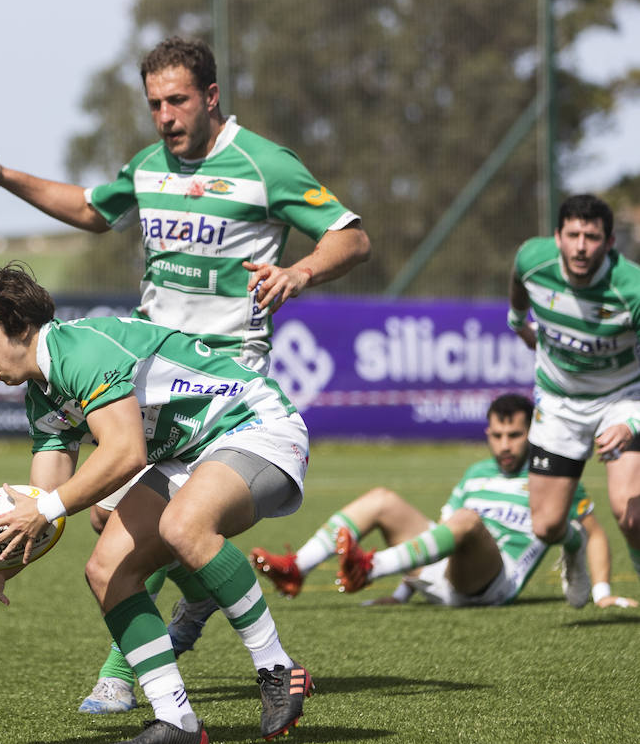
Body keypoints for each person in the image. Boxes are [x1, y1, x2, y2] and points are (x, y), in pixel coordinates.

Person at [0, 35, 370, 713]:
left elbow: (351, 235)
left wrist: (299, 271)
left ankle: (138, 667)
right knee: (105, 519)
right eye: (154, 105)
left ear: (211, 96)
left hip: (223, 378)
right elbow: (90, 210)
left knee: (162, 520)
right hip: (141, 367)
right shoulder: (148, 167)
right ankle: (191, 623)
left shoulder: (263, 165)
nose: (165, 116)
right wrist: (4, 177)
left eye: (177, 100)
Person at [0, 257, 314, 744]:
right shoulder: (42, 396)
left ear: (20, 326)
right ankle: (175, 719)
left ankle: (277, 667)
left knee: (184, 525)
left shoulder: (82, 351)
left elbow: (124, 454)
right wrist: (0, 562)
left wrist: (44, 509)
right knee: (106, 571)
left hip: (253, 426)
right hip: (188, 453)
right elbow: (43, 501)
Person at [251, 393, 637, 609]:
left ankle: (371, 567)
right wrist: (402, 594)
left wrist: (602, 594)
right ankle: (298, 567)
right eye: (497, 435)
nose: (504, 445)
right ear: (487, 434)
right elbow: (438, 535)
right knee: (382, 499)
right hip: (442, 572)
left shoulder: (551, 480)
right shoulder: (475, 473)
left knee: (468, 520)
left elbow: (595, 533)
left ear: (532, 434)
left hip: (492, 581)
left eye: (515, 435)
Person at [508, 194, 640, 590]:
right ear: (557, 236)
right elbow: (518, 279)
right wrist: (518, 320)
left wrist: (632, 423)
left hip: (622, 399)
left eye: (592, 237)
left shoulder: (632, 289)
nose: (581, 246)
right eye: (573, 235)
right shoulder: (533, 258)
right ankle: (574, 543)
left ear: (609, 242)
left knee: (630, 515)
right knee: (546, 526)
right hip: (558, 402)